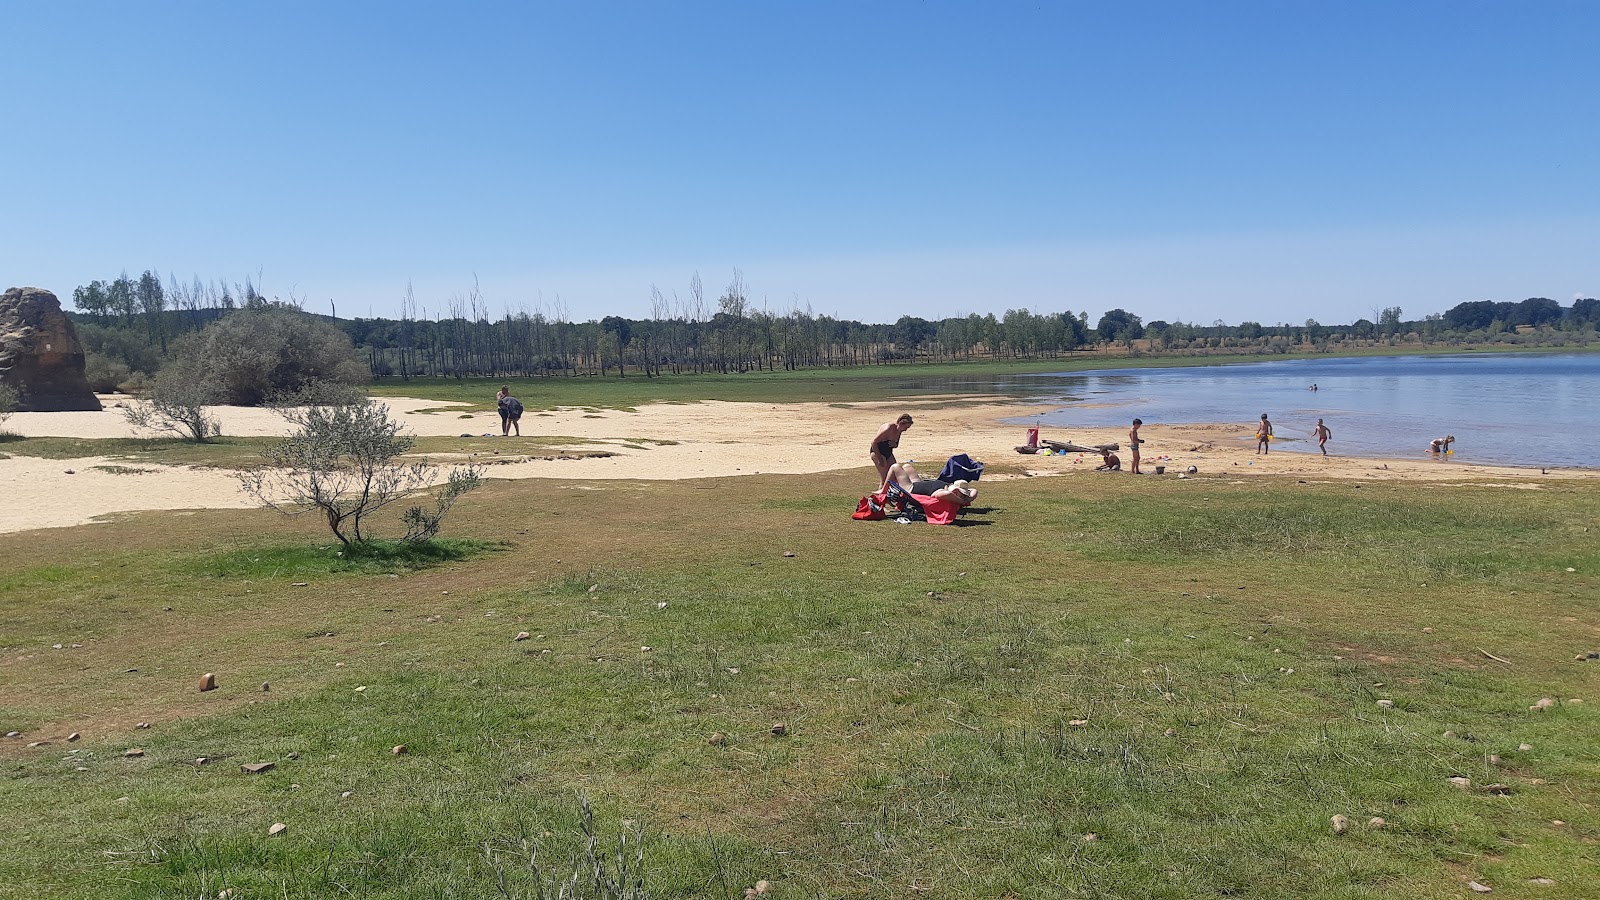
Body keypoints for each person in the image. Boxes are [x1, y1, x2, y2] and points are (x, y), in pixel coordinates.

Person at [869, 414, 914, 485]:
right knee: (884, 479)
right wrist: (879, 458)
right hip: (877, 451)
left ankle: (889, 494)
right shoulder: (888, 428)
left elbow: (896, 444)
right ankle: (880, 495)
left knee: (893, 475)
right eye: (905, 427)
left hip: (888, 452)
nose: (905, 430)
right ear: (901, 423)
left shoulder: (899, 430)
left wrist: (894, 444)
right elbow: (874, 442)